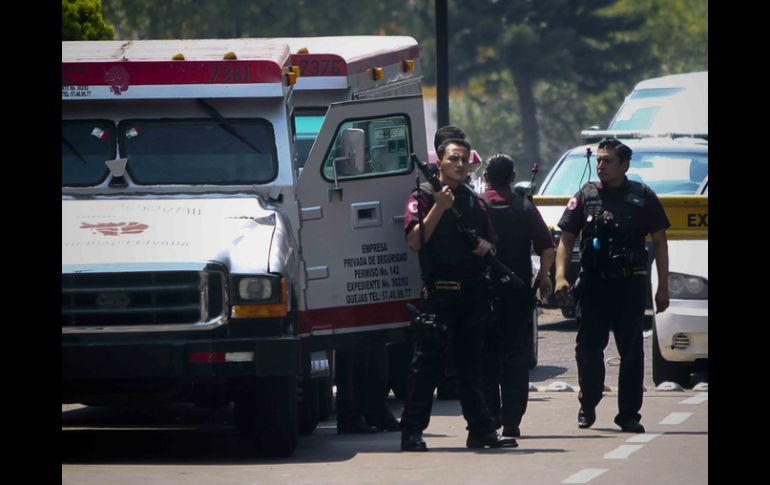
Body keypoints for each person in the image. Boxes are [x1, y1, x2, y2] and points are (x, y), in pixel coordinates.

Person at [399, 137, 517, 451]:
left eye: (465, 159)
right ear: (439, 162)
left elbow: (492, 243)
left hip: (472, 294)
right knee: (426, 367)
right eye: (453, 158)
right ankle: (411, 432)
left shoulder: (474, 201)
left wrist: (485, 247)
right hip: (439, 294)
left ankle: (481, 431)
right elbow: (414, 241)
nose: (460, 164)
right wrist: (440, 206)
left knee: (471, 367)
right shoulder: (422, 197)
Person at [554, 137, 670, 433]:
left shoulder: (643, 196)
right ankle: (588, 401)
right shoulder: (586, 194)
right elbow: (567, 238)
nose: (601, 165)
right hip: (594, 284)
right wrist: (560, 276)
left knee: (631, 351)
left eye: (608, 161)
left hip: (630, 284)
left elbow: (660, 241)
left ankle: (629, 414)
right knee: (588, 348)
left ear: (624, 165)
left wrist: (663, 287)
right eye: (599, 160)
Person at [480, 154, 555, 438]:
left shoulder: (477, 205)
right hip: (518, 294)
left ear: (485, 176)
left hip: (483, 294)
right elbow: (547, 249)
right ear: (512, 178)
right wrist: (542, 278)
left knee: (485, 356)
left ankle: (489, 417)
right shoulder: (525, 207)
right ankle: (512, 421)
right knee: (515, 358)